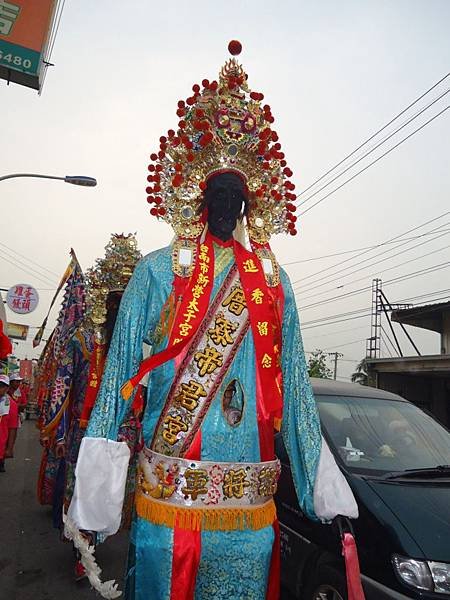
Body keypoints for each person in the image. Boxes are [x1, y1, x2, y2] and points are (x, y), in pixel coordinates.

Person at [68, 42, 358, 600]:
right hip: (169, 501)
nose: (226, 205)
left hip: (249, 508)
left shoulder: (274, 284)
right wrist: (96, 497)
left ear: (251, 206)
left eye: (237, 197)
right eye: (216, 193)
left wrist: (329, 497)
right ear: (199, 199)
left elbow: (295, 387)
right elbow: (118, 379)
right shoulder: (156, 273)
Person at [0, 374, 19, 472]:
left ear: (7, 388)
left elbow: (12, 428)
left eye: (2, 386)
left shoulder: (12, 405)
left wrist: (10, 448)